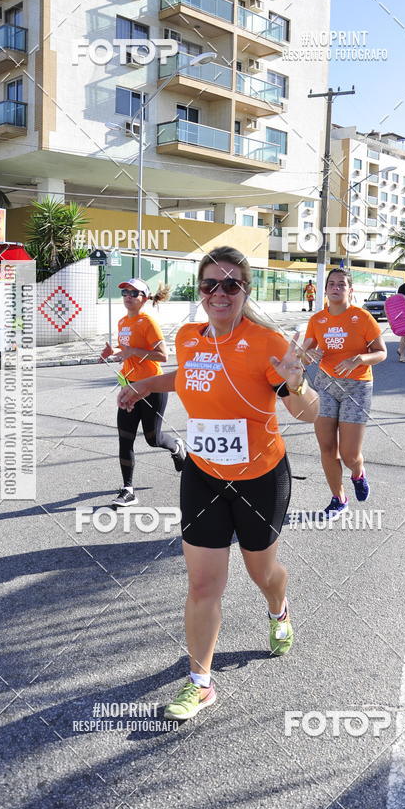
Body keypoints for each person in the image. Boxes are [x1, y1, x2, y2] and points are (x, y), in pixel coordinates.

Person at [118, 247, 319, 721]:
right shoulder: (189, 337)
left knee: (261, 573)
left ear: (244, 290)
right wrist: (146, 385)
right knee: (204, 582)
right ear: (200, 291)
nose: (219, 293)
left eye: (230, 284)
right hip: (203, 476)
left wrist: (297, 382)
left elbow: (307, 413)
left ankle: (279, 609)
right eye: (210, 284)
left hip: (261, 478)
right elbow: (187, 375)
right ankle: (201, 682)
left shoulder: (268, 342)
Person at [302, 267, 387, 517]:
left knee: (350, 455)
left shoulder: (361, 317)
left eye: (341, 284)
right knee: (327, 448)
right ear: (325, 289)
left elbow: (382, 352)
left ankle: (358, 473)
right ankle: (339, 499)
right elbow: (302, 355)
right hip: (326, 385)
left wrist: (359, 358)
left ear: (350, 290)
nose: (336, 287)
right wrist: (308, 354)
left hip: (357, 387)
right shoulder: (317, 320)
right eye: (332, 283)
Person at [100, 278, 185, 508]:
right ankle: (128, 489)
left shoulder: (148, 322)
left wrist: (132, 351)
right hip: (129, 386)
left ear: (144, 298)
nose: (127, 296)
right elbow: (127, 351)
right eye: (125, 292)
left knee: (152, 438)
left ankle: (176, 446)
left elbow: (163, 355)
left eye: (133, 293)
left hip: (152, 387)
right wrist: (114, 351)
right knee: (124, 438)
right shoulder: (121, 322)